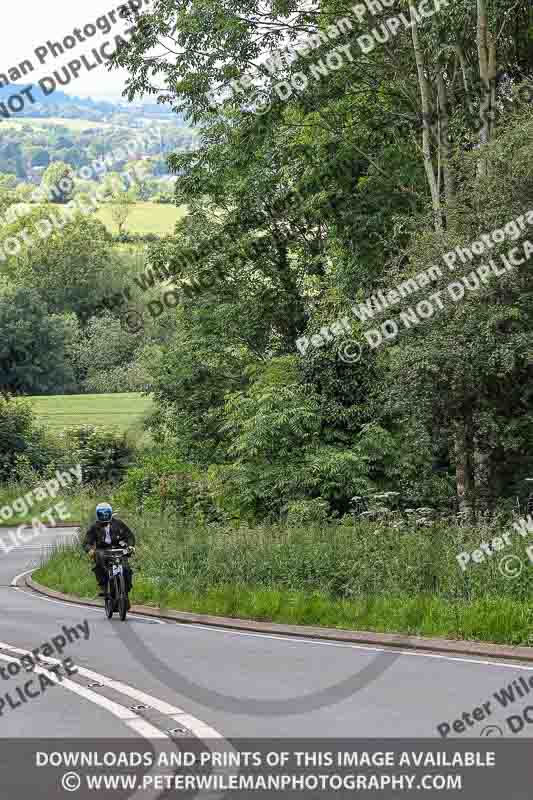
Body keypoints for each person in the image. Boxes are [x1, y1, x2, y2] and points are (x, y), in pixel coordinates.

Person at [82, 503, 135, 605]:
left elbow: (130, 536)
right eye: (101, 514)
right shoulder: (94, 527)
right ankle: (104, 586)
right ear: (98, 515)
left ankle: (125, 592)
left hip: (119, 549)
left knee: (126, 569)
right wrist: (89, 550)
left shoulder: (119, 523)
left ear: (110, 513)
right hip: (103, 551)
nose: (104, 516)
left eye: (106, 513)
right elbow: (86, 542)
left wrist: (130, 545)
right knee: (100, 563)